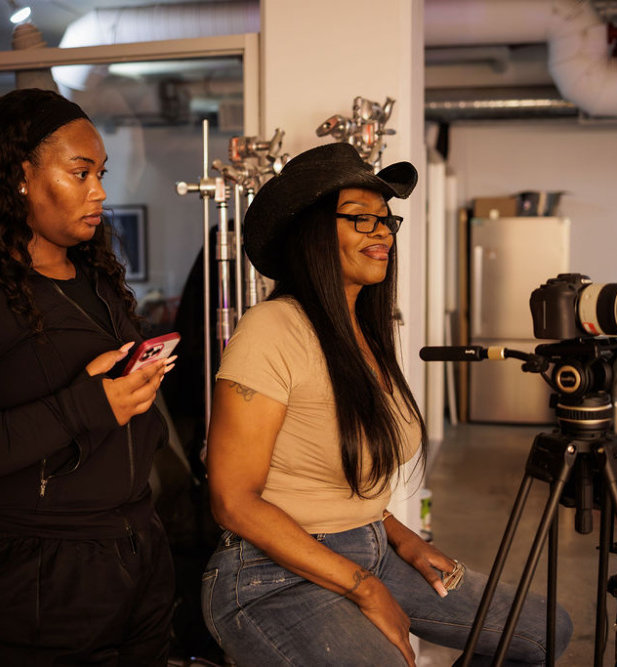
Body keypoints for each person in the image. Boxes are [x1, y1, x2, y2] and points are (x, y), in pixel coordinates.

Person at [201, 142, 572, 666]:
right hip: (270, 573)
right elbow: (234, 501)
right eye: (361, 219)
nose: (382, 234)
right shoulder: (271, 330)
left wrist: (400, 537)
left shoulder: (362, 334)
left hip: (374, 547)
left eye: (385, 221)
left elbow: (341, 482)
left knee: (543, 629)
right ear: (312, 233)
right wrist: (365, 587)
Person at [0, 89, 175, 665]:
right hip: (34, 576)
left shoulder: (98, 284)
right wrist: (85, 405)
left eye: (101, 173)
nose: (100, 192)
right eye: (81, 172)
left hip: (135, 553)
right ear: (20, 177)